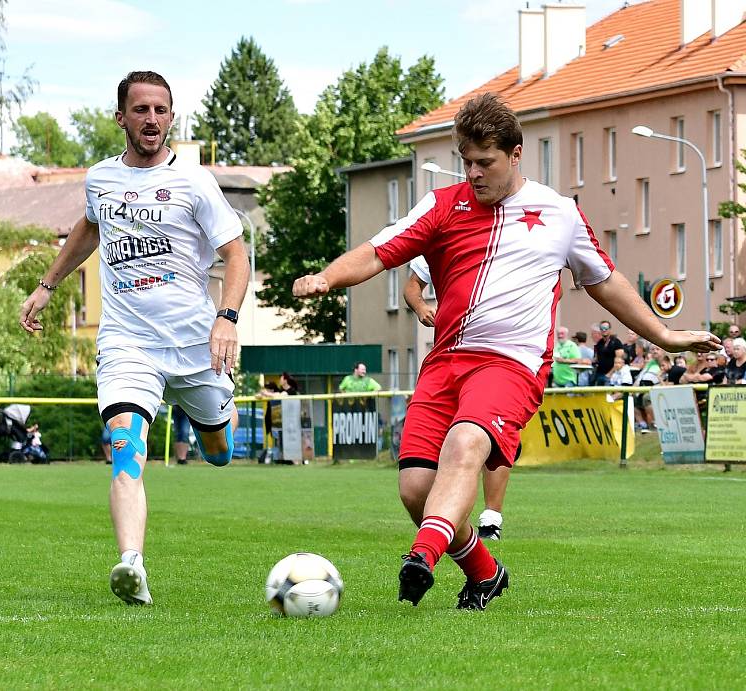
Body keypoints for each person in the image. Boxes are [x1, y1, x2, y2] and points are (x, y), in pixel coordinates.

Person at [292, 92, 718, 610]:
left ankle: (421, 558)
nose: (473, 173)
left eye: (485, 162)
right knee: (415, 489)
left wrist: (666, 337)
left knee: (467, 443)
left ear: (516, 155)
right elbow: (380, 251)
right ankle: (485, 572)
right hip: (446, 361)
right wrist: (327, 278)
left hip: (511, 365)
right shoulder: (443, 205)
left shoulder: (559, 213)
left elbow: (607, 283)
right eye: (466, 162)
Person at [18, 71, 249, 606]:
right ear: (121, 117)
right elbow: (91, 226)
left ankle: (216, 416)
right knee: (126, 446)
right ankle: (131, 565)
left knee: (218, 452)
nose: (152, 119)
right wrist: (48, 285)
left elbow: (235, 252)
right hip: (127, 341)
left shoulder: (194, 181)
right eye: (141, 110)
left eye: (161, 110)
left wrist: (228, 317)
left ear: (171, 117)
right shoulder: (100, 178)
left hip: (195, 341)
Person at [404, 256, 509, 540]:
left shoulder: (524, 228)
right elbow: (413, 285)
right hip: (449, 357)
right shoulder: (448, 227)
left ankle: (491, 517)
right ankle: (455, 528)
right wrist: (421, 306)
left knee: (487, 439)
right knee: (420, 479)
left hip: (502, 359)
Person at [592, 320, 623, 385]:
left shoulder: (616, 342)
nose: (604, 330)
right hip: (599, 374)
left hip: (611, 375)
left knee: (608, 395)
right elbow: (596, 358)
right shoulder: (599, 343)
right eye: (602, 328)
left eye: (606, 328)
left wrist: (610, 374)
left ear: (610, 329)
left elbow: (619, 361)